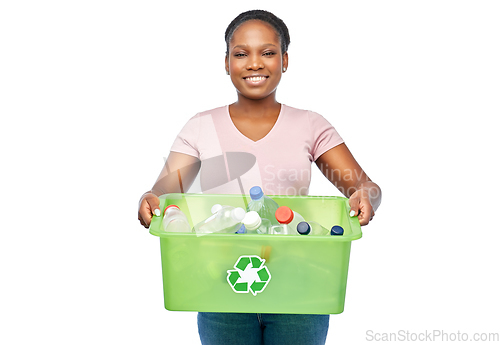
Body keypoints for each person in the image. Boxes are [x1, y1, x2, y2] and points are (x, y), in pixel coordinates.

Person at [138, 9, 382, 345]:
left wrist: (366, 196)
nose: (255, 63)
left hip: (300, 287)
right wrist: (150, 198)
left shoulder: (310, 125)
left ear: (284, 60)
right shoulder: (201, 126)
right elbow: (166, 189)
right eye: (241, 54)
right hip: (222, 286)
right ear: (226, 63)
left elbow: (363, 185)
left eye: (267, 52)